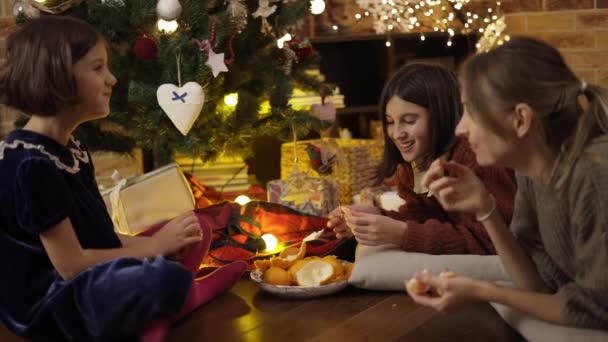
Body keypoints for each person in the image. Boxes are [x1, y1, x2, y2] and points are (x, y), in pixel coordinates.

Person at [0, 16, 246, 341]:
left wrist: (158, 245)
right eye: (98, 67)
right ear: (57, 75)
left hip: (89, 271)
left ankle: (159, 304)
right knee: (159, 280)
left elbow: (104, 238)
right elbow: (72, 266)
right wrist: (155, 246)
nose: (112, 78)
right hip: (51, 301)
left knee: (193, 228)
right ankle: (176, 303)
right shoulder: (31, 164)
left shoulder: (70, 148)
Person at [407, 37, 608, 330]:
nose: (460, 129)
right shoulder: (532, 169)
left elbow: (596, 309)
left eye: (472, 111)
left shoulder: (593, 175)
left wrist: (485, 291)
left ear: (520, 120)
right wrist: (484, 206)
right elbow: (535, 285)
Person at [327, 63, 516, 255]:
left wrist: (403, 234)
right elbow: (426, 219)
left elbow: (494, 243)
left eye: (409, 121)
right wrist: (376, 216)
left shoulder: (476, 158)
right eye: (390, 122)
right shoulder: (413, 166)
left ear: (441, 116)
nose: (397, 134)